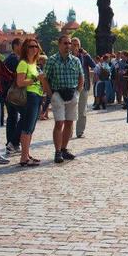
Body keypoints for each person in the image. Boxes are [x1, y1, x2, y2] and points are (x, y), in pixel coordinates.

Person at [44, 35, 84, 163]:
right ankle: (57, 152)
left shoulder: (75, 60)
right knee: (59, 123)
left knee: (69, 122)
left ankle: (64, 149)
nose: (68, 46)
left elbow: (81, 77)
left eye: (69, 43)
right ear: (59, 44)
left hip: (72, 94)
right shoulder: (52, 60)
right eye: (65, 43)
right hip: (58, 94)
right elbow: (45, 78)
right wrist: (51, 95)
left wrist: (78, 92)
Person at [16, 39, 46, 166]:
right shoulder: (23, 63)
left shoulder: (34, 64)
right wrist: (35, 78)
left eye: (36, 46)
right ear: (25, 49)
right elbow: (20, 82)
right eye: (31, 46)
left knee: (31, 128)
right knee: (27, 127)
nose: (34, 49)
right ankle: (23, 158)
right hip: (30, 96)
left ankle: (27, 154)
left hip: (37, 96)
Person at [71, 38, 96, 137]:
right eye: (74, 44)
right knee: (70, 111)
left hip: (84, 87)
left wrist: (87, 54)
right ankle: (69, 132)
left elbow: (94, 66)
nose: (76, 47)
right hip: (71, 87)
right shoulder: (67, 57)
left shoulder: (84, 56)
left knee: (82, 111)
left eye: (77, 45)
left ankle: (80, 132)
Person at [3, 38, 23, 155]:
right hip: (12, 93)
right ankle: (12, 143)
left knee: (12, 117)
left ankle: (12, 143)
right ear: (15, 46)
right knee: (17, 117)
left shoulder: (10, 58)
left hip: (8, 92)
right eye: (21, 45)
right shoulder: (14, 59)